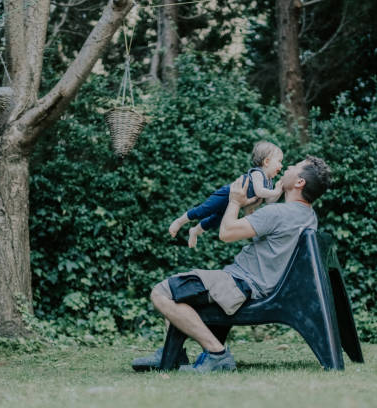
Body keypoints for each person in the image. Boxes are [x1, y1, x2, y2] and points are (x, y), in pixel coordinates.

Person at [132, 156, 332, 373]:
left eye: (295, 167)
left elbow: (226, 233)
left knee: (162, 293)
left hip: (242, 284)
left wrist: (235, 202)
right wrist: (250, 207)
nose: (288, 167)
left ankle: (217, 354)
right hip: (257, 283)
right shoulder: (307, 216)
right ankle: (174, 352)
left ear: (299, 182)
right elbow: (261, 233)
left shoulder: (278, 213)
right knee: (182, 285)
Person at [169, 141, 284, 248]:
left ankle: (195, 231)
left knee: (214, 221)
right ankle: (179, 221)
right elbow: (259, 192)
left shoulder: (269, 182)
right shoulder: (258, 174)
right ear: (267, 161)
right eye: (279, 161)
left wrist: (279, 190)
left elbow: (269, 201)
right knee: (203, 210)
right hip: (226, 194)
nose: (281, 166)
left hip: (234, 204)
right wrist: (276, 191)